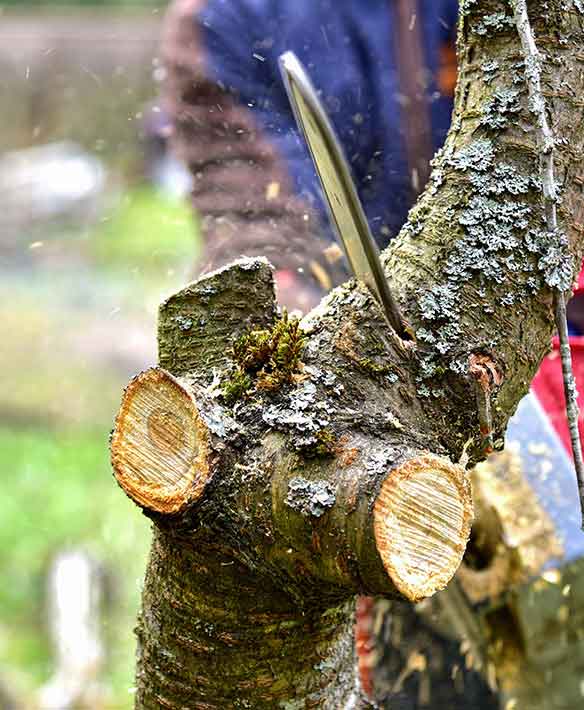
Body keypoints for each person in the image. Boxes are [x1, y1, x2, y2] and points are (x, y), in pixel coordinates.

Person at [160, 0, 458, 312]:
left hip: (464, 287)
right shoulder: (218, 15)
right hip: (324, 293)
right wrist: (283, 305)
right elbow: (249, 212)